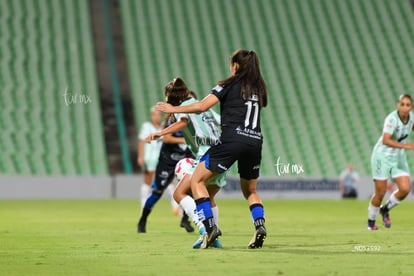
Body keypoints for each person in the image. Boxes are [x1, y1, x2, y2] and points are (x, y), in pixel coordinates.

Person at [157, 49, 268, 249]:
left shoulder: (227, 84)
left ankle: (209, 228)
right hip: (255, 141)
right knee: (250, 190)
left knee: (197, 181)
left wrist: (174, 109)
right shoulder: (258, 88)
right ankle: (260, 226)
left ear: (235, 66)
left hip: (232, 139)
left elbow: (201, 106)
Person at [146, 77, 225, 248]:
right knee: (208, 197)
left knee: (179, 193)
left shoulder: (184, 106)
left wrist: (160, 133)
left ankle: (205, 230)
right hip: (222, 154)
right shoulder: (204, 106)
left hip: (207, 155)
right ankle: (214, 238)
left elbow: (182, 123)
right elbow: (223, 123)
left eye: (168, 97)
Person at [137, 112, 195, 233]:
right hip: (168, 161)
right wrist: (184, 139)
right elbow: (167, 138)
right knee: (158, 191)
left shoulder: (194, 120)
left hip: (186, 159)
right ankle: (143, 219)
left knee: (192, 188)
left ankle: (185, 219)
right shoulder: (173, 119)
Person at [367, 94, 414, 230]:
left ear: (411, 107)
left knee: (405, 189)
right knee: (380, 193)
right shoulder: (392, 119)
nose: (405, 107)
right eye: (402, 104)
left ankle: (385, 209)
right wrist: (407, 146)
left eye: (408, 105)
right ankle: (371, 223)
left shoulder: (411, 118)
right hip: (382, 156)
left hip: (398, 157)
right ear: (398, 105)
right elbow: (385, 140)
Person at [137, 107, 179, 214]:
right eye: (155, 114)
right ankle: (144, 206)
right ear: (151, 116)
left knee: (169, 181)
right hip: (149, 158)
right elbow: (142, 142)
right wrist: (140, 156)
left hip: (162, 158)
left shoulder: (164, 127)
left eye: (159, 114)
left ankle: (176, 207)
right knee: (148, 180)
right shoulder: (146, 126)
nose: (157, 116)